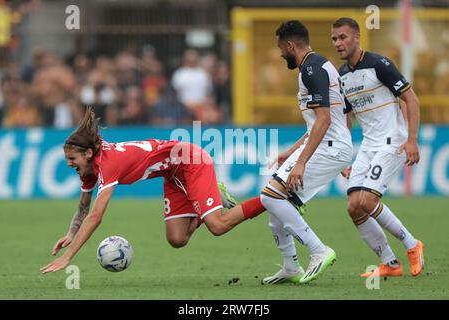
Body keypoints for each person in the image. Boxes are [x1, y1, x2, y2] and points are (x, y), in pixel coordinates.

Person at [40, 107, 265, 273]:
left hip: (191, 160)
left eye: (72, 158)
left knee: (218, 225)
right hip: (172, 173)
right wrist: (70, 234)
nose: (69, 163)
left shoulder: (108, 164)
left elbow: (95, 217)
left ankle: (269, 198)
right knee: (177, 239)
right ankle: (209, 197)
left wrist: (68, 258)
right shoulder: (89, 169)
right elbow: (83, 207)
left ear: (88, 153)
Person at [259, 20, 353, 285]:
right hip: (329, 144)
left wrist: (300, 163)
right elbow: (331, 118)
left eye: (281, 48)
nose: (280, 54)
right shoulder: (319, 65)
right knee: (276, 203)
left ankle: (318, 250)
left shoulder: (311, 69)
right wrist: (291, 152)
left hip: (329, 146)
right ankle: (291, 266)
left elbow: (324, 120)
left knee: (271, 196)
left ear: (290, 45)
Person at [331, 17, 424, 277]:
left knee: (367, 200)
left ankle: (411, 243)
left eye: (343, 37)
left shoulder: (379, 64)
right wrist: (343, 156)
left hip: (392, 141)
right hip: (368, 146)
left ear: (357, 37)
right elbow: (346, 118)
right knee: (353, 206)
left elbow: (411, 98)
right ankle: (390, 264)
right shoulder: (341, 76)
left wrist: (412, 139)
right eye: (334, 39)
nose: (338, 43)